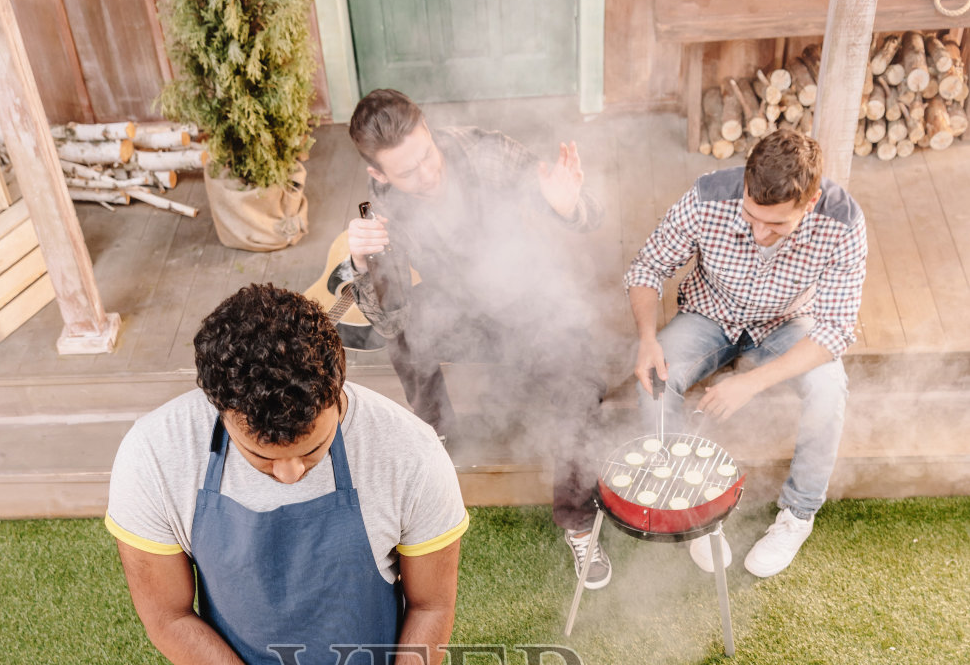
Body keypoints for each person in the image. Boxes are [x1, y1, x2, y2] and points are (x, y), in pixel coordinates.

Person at [105, 284, 467, 665]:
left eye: (312, 450)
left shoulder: (409, 452)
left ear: (337, 390)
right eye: (264, 457)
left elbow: (432, 606)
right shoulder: (155, 456)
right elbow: (167, 615)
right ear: (220, 407)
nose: (291, 473)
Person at [345, 88, 612, 590]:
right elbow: (388, 317)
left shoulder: (484, 151)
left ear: (428, 129)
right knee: (404, 330)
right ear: (379, 175)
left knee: (582, 378)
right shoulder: (378, 206)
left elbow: (588, 211)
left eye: (427, 154)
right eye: (407, 172)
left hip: (533, 303)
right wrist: (362, 265)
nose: (427, 173)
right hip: (461, 313)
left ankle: (579, 520)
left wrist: (568, 205)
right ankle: (436, 438)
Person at [625, 128, 867, 577]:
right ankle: (691, 506)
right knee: (656, 379)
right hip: (708, 313)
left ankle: (797, 515)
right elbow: (648, 266)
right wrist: (647, 338)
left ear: (809, 203)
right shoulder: (706, 196)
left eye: (775, 224)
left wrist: (752, 381)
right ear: (745, 187)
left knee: (830, 390)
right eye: (752, 215)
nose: (759, 232)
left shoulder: (843, 221)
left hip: (789, 324)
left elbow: (835, 331)